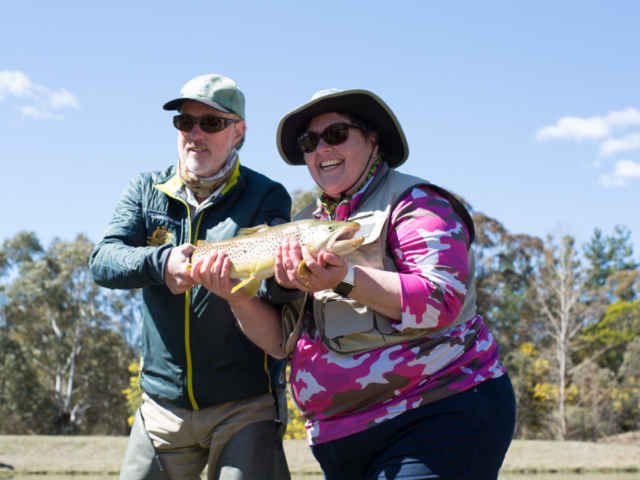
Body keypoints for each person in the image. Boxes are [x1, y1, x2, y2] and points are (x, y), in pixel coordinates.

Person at [196, 88, 516, 480]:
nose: (321, 149)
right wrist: (235, 295)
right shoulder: (302, 224)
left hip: (435, 412)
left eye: (337, 134)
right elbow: (281, 343)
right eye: (309, 141)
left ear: (373, 140)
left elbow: (441, 300)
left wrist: (345, 278)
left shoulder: (415, 203)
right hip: (339, 439)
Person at [89, 74, 292, 480]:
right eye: (185, 122)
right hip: (160, 406)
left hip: (245, 405)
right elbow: (103, 260)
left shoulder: (268, 195)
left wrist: (275, 281)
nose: (194, 134)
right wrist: (161, 263)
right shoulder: (145, 189)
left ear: (238, 132)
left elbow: (276, 289)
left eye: (211, 123)